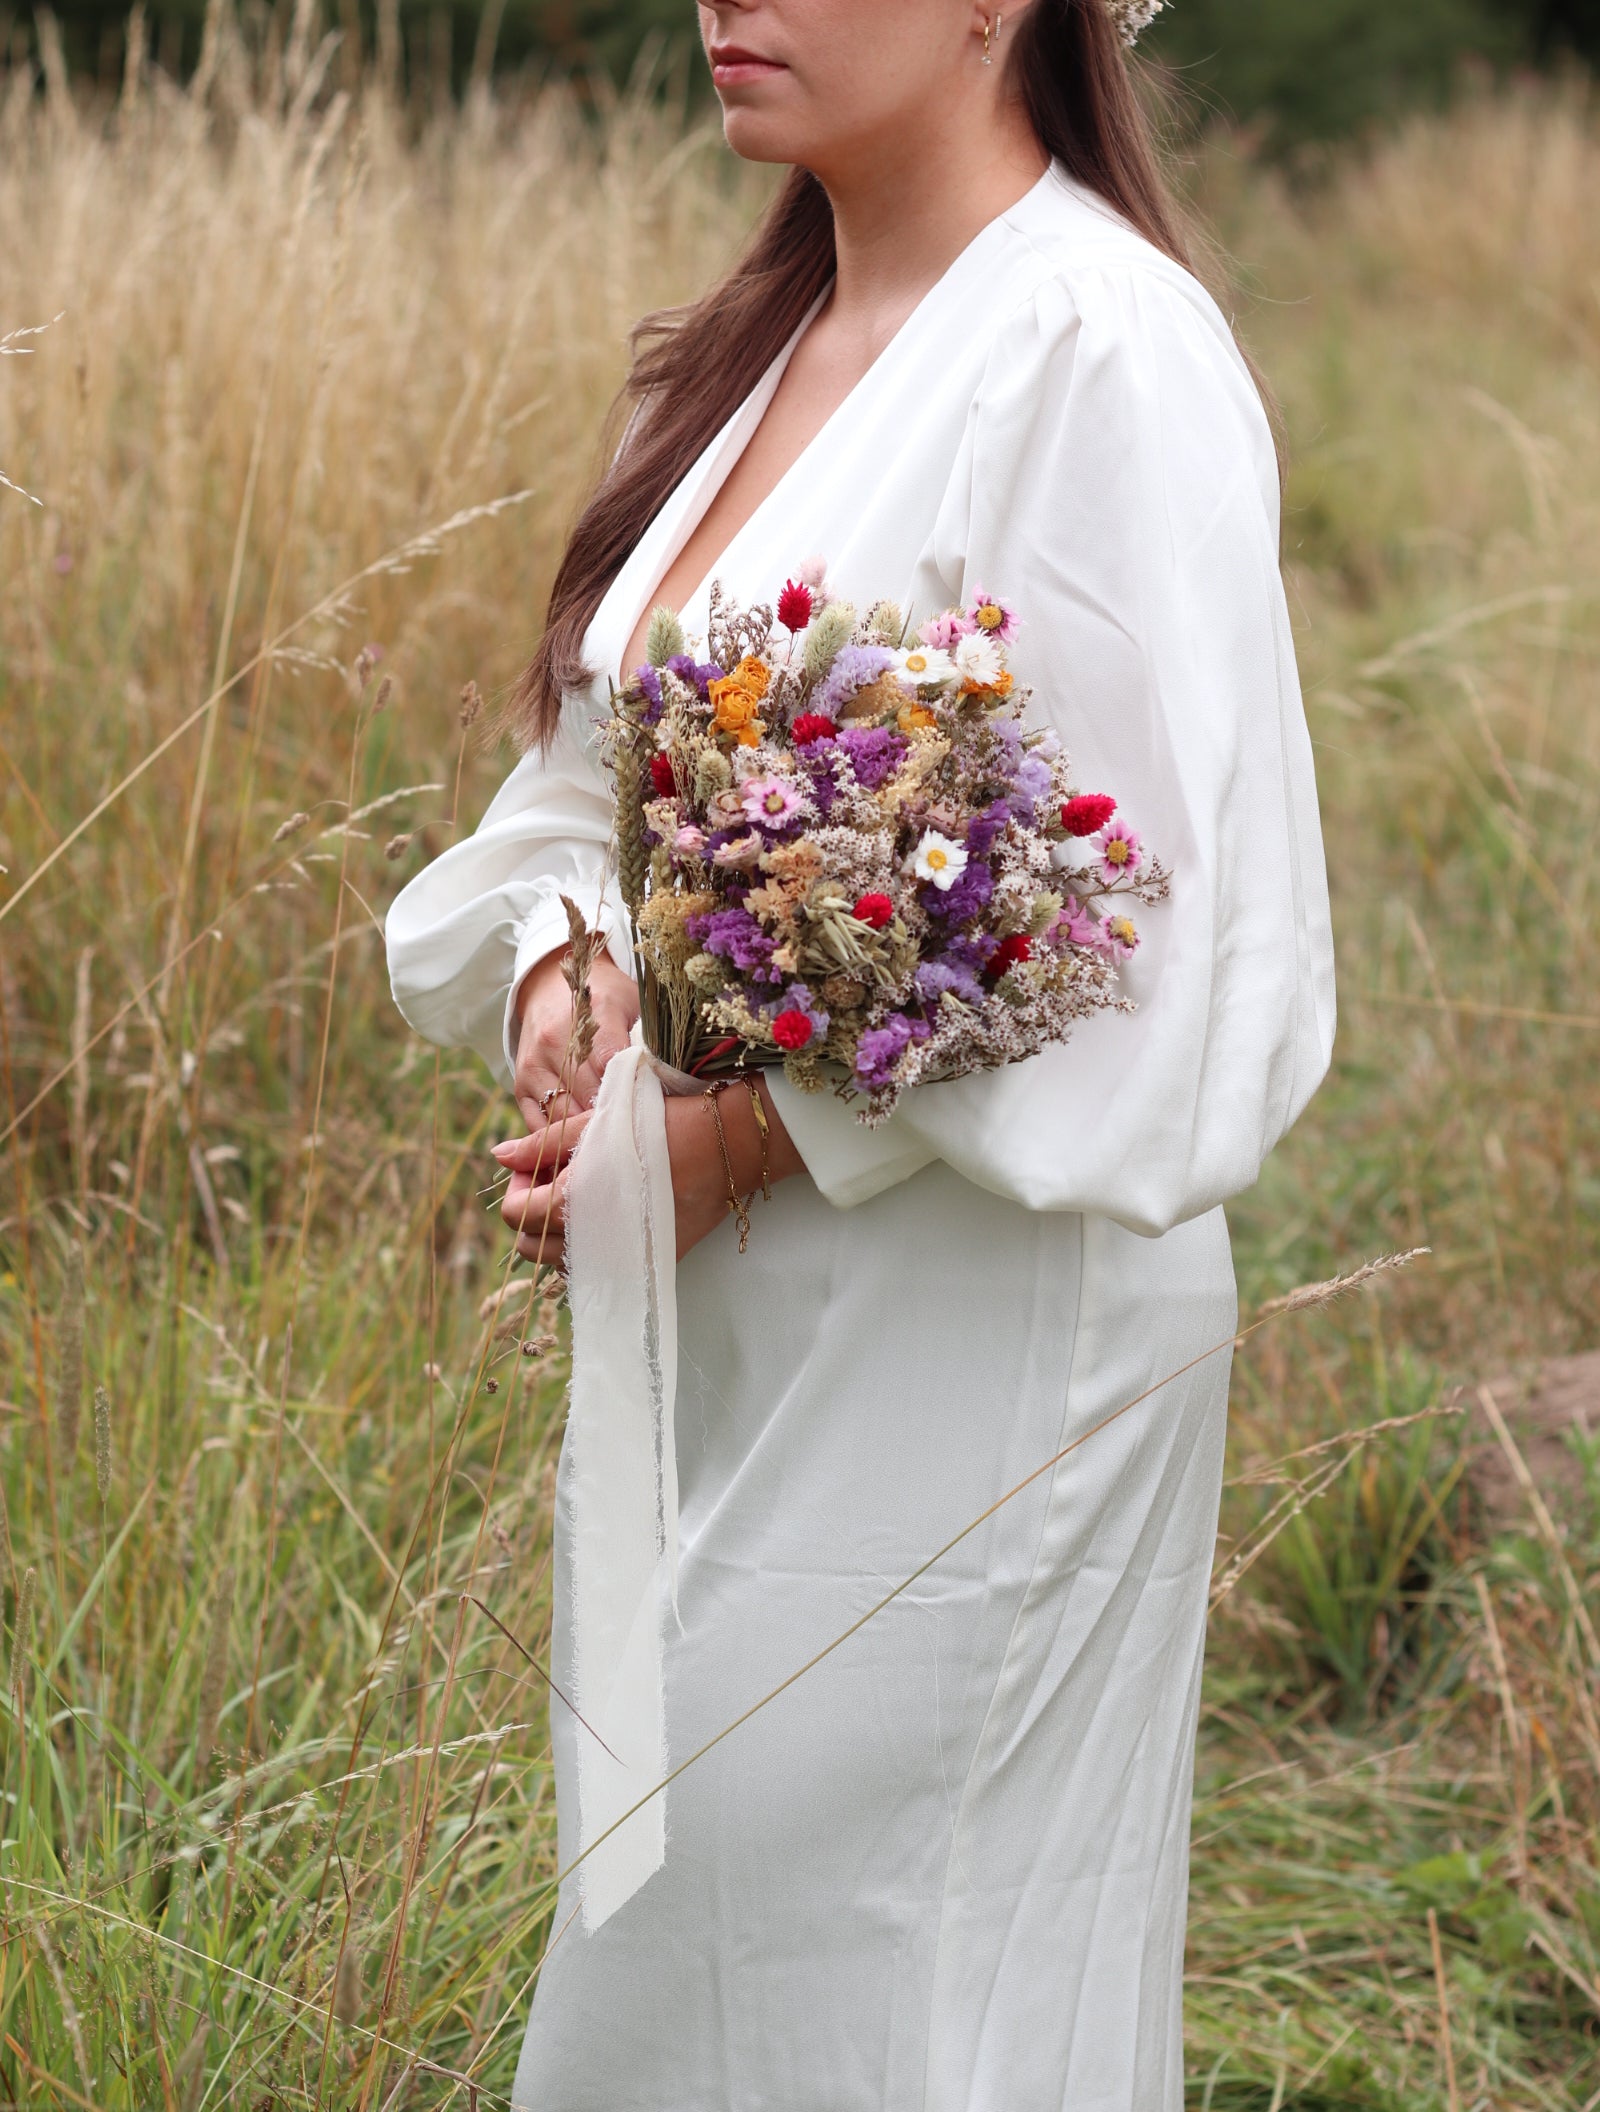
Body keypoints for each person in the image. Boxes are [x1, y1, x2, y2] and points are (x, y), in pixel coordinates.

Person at [385, 0, 1335, 2102]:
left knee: (882, 1988)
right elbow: (578, 794)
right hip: (740, 1344)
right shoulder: (750, 353)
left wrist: (746, 1131)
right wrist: (563, 990)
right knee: (711, 1968)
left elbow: (1154, 922)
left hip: (984, 1346)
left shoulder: (1099, 345)